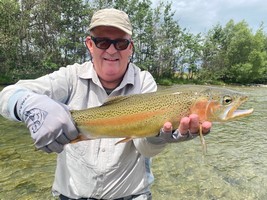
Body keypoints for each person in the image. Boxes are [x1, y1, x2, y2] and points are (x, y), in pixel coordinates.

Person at [0, 8, 211, 200]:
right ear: (90, 45)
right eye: (102, 42)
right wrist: (28, 105)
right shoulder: (70, 77)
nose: (111, 50)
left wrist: (158, 137)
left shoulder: (144, 82)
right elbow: (7, 95)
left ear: (131, 48)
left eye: (120, 43)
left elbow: (145, 149)